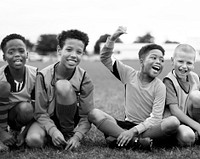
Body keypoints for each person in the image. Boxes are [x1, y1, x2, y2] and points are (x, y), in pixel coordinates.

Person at [88, 26, 180, 149]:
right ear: (141, 61)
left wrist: (133, 131)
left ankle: (117, 139)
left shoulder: (160, 86)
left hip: (148, 128)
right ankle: (136, 142)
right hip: (126, 125)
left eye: (162, 60)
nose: (158, 61)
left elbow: (156, 119)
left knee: (173, 122)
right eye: (153, 57)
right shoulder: (129, 74)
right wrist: (113, 38)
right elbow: (105, 58)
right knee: (94, 113)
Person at [26, 29, 94, 150]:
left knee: (63, 85)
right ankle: (53, 135)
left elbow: (86, 115)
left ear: (82, 54)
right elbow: (40, 112)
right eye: (69, 50)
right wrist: (52, 131)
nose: (73, 55)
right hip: (47, 119)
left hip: (70, 121)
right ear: (59, 50)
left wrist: (77, 136)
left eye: (79, 52)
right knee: (33, 140)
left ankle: (67, 134)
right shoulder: (42, 75)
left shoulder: (85, 78)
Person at [0, 34, 37, 151]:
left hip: (20, 115)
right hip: (2, 117)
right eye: (11, 52)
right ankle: (4, 132)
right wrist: (1, 133)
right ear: (4, 57)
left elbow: (40, 109)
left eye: (21, 51)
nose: (17, 55)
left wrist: (24, 133)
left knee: (27, 108)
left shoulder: (35, 75)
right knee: (4, 87)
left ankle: (16, 131)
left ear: (27, 54)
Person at [163, 44, 200, 146]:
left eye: (189, 63)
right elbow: (174, 111)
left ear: (193, 64)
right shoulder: (169, 81)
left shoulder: (194, 77)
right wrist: (197, 126)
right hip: (177, 122)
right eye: (180, 61)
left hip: (191, 119)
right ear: (172, 60)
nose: (184, 66)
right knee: (188, 137)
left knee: (197, 96)